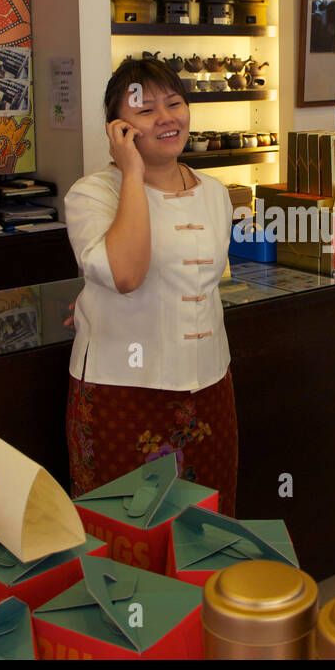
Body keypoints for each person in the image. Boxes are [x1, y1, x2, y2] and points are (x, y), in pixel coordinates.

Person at [63, 57, 238, 513]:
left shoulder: (216, 192)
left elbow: (200, 281)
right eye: (145, 109)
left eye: (174, 103)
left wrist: (88, 300)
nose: (166, 117)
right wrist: (133, 174)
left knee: (206, 526)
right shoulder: (92, 195)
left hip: (208, 385)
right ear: (118, 128)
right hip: (122, 392)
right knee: (126, 530)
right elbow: (125, 276)